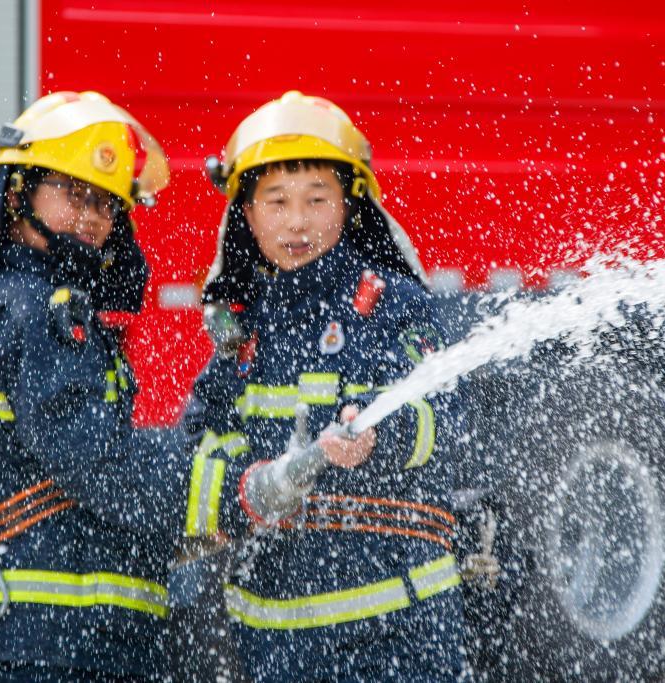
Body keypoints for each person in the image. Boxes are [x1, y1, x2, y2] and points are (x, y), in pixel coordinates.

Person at [183, 91, 473, 681]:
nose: (297, 221)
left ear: (348, 205)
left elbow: (448, 416)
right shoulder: (244, 332)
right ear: (246, 214)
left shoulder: (390, 304)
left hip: (398, 635)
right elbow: (200, 436)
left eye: (317, 199)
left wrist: (379, 433)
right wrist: (249, 481)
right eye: (276, 201)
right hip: (276, 645)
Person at [0, 90, 174, 682]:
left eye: (106, 204)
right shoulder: (41, 312)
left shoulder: (12, 299)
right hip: (65, 637)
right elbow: (99, 466)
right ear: (18, 195)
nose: (92, 217)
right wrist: (229, 490)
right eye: (73, 194)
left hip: (46, 632)